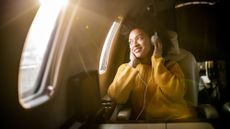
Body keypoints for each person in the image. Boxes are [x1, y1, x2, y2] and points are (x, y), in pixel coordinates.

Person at [107, 27, 196, 120]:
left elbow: (176, 94)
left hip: (179, 121)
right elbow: (116, 97)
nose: (135, 45)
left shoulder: (170, 66)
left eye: (140, 38)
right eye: (131, 41)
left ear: (153, 41)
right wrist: (132, 65)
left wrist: (157, 60)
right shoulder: (126, 69)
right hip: (149, 125)